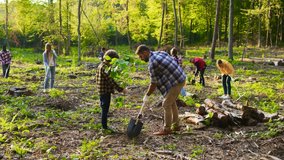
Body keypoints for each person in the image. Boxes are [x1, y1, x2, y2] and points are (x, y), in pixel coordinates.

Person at [135, 45, 186, 135]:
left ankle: (167, 129)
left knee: (166, 104)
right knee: (172, 102)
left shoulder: (152, 63)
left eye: (141, 56)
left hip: (176, 81)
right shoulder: (160, 52)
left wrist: (147, 95)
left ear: (145, 52)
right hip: (179, 77)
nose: (141, 59)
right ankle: (176, 125)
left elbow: (153, 83)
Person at [96, 49, 127, 131]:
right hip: (105, 91)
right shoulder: (104, 68)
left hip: (102, 91)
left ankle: (104, 125)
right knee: (105, 109)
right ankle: (104, 127)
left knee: (104, 108)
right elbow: (110, 80)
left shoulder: (101, 65)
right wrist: (121, 89)